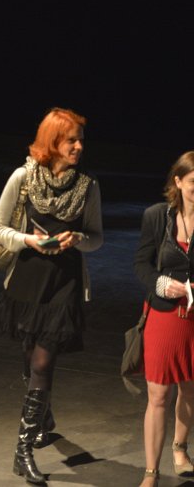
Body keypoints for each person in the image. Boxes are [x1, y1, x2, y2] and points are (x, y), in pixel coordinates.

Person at [0, 107, 103, 484]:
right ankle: (43, 416)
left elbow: (96, 238)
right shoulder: (23, 177)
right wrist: (29, 240)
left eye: (81, 140)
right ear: (53, 142)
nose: (79, 147)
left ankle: (22, 451)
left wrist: (79, 238)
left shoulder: (88, 185)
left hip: (63, 283)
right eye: (71, 140)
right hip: (27, 279)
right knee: (29, 354)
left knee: (42, 362)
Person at [134, 151, 194, 487]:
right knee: (158, 395)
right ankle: (151, 472)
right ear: (178, 181)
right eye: (193, 182)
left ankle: (180, 449)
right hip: (165, 316)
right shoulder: (157, 216)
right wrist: (160, 283)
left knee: (190, 389)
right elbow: (141, 264)